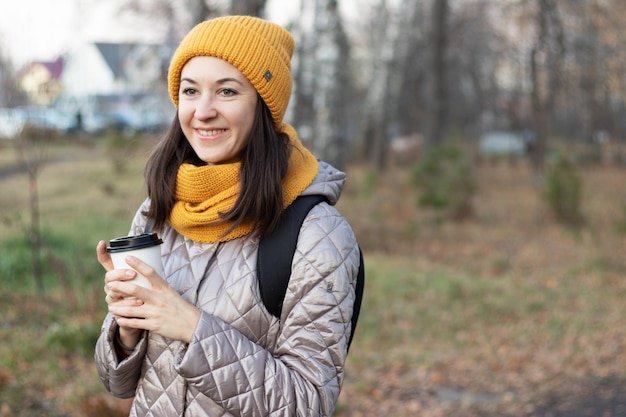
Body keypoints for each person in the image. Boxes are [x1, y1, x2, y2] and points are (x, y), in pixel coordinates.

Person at [94, 15, 360, 417]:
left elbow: (309, 403)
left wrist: (190, 326)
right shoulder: (158, 212)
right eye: (190, 91)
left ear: (264, 105)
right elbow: (117, 382)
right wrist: (126, 330)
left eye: (227, 91)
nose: (203, 111)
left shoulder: (317, 234)